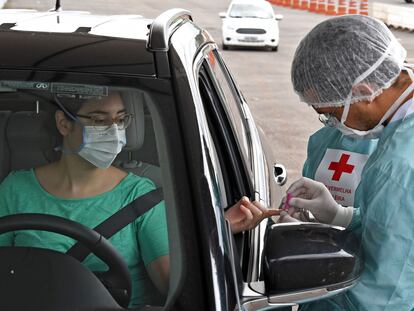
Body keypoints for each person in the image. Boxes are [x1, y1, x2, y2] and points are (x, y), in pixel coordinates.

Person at [0, 91, 277, 308]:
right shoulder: (15, 188)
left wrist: (213, 231)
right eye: (99, 119)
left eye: (120, 119)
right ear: (63, 123)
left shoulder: (141, 196)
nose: (113, 130)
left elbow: (176, 285)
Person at [280, 15, 414, 310]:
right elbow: (400, 230)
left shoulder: (400, 166)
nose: (331, 124)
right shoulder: (400, 129)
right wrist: (342, 215)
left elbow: (383, 297)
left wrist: (303, 284)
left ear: (364, 92)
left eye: (331, 113)